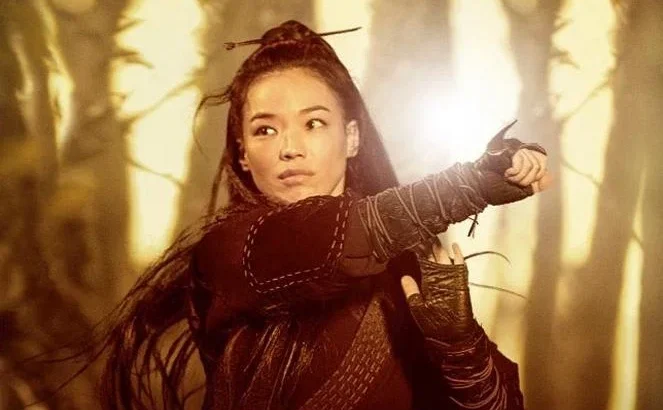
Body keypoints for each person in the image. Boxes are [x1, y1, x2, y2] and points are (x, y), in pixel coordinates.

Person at [97, 20, 549, 410]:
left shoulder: (408, 269)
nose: (290, 147)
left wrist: (460, 347)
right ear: (243, 152)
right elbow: (343, 236)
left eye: (313, 123)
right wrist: (473, 184)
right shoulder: (228, 254)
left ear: (351, 138)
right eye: (265, 129)